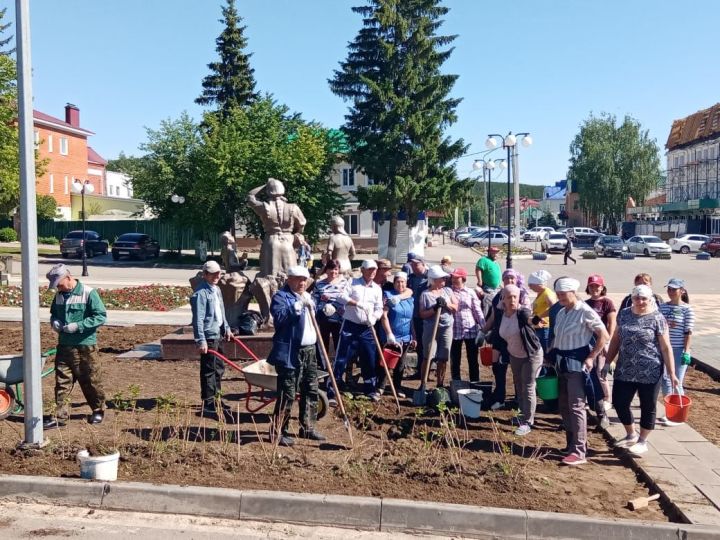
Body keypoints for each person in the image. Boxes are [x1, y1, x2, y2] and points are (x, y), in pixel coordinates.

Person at [607, 285, 679, 455]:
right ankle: (631, 434)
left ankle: (643, 440)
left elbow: (666, 347)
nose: (640, 302)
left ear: (650, 299)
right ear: (632, 299)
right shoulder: (624, 314)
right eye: (637, 298)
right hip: (625, 368)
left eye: (644, 298)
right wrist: (607, 361)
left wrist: (672, 373)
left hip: (650, 369)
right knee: (619, 402)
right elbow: (616, 340)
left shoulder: (657, 318)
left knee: (648, 405)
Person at [549, 277, 609, 466]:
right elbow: (557, 338)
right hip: (561, 365)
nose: (560, 297)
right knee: (565, 406)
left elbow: (603, 335)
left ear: (573, 293)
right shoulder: (561, 312)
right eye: (558, 294)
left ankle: (579, 450)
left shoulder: (584, 311)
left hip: (577, 367)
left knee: (576, 407)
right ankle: (570, 444)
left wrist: (591, 356)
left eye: (563, 294)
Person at [267, 265, 326, 447]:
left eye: (305, 280)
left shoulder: (308, 296)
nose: (302, 283)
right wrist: (297, 306)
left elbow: (314, 318)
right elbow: (280, 318)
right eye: (298, 279)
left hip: (309, 351)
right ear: (289, 280)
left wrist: (324, 308)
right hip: (290, 353)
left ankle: (307, 427)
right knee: (288, 393)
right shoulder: (281, 297)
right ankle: (278, 431)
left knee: (311, 389)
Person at [44, 264, 107, 429]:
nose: (58, 288)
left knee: (91, 381)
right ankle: (59, 416)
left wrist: (78, 326)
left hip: (85, 346)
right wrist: (54, 322)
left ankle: (98, 410)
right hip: (64, 345)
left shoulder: (88, 293)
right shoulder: (59, 296)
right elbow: (54, 314)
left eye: (59, 284)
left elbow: (100, 316)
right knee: (62, 381)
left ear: (69, 277)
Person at [489, 284, 543, 436]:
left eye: (515, 297)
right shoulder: (501, 314)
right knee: (518, 384)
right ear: (503, 299)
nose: (512, 300)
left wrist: (536, 320)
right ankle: (522, 414)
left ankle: (527, 422)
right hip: (514, 354)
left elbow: (531, 320)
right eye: (509, 297)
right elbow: (499, 333)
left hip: (531, 354)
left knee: (528, 386)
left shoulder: (522, 313)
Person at [328, 259, 384, 404]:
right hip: (350, 326)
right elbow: (341, 297)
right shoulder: (352, 283)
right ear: (362, 270)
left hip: (367, 328)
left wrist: (374, 318)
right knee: (341, 358)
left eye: (374, 270)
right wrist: (357, 303)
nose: (372, 272)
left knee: (369, 359)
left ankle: (370, 389)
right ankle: (332, 390)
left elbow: (379, 308)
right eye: (369, 269)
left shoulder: (377, 288)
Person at [483, 269, 532, 410]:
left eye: (512, 278)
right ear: (502, 280)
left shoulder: (522, 296)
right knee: (498, 367)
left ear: (517, 280)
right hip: (500, 337)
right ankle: (499, 397)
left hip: (517, 337)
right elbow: (493, 316)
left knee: (519, 370)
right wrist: (483, 331)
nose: (509, 281)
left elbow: (528, 315)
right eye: (506, 279)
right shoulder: (498, 296)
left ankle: (519, 399)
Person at [191, 260, 234, 418]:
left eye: (218, 273)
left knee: (219, 369)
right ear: (205, 275)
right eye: (213, 274)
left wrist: (227, 328)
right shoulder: (200, 294)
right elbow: (198, 320)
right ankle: (208, 403)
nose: (217, 276)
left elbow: (221, 312)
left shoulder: (216, 290)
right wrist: (200, 340)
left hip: (219, 334)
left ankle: (217, 398)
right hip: (208, 337)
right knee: (209, 370)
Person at [247, 178, 307, 277]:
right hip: (288, 241)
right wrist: (295, 234)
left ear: (268, 191)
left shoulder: (264, 207)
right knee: (290, 274)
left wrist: (265, 186)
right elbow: (302, 224)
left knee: (269, 275)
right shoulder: (293, 207)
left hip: (271, 241)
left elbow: (250, 196)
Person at [657, 278, 695, 425]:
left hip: (679, 350)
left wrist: (686, 351)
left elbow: (688, 332)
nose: (671, 292)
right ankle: (669, 412)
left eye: (674, 289)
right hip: (663, 350)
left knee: (676, 381)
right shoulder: (662, 307)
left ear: (682, 291)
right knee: (666, 382)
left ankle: (679, 413)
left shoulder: (687, 309)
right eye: (669, 289)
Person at [584, 274, 616, 428]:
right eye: (592, 286)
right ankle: (594, 402)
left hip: (602, 342)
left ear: (602, 287)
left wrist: (606, 342)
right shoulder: (585, 303)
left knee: (600, 373)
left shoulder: (607, 303)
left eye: (597, 286)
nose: (595, 289)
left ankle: (606, 400)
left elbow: (611, 324)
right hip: (588, 343)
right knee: (591, 372)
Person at [377, 271, 416, 398]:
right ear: (393, 283)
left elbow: (411, 320)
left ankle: (397, 387)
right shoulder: (388, 295)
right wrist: (389, 334)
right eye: (398, 282)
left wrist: (413, 336)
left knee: (401, 364)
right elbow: (384, 316)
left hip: (405, 336)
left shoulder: (410, 298)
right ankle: (381, 387)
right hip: (391, 336)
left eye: (403, 282)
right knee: (386, 362)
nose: (400, 284)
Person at [419, 265, 458, 388]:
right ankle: (423, 383)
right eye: (441, 278)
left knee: (443, 357)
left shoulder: (448, 291)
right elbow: (422, 314)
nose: (444, 280)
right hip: (431, 329)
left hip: (446, 328)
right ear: (433, 279)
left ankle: (440, 384)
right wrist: (434, 308)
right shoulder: (425, 294)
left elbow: (455, 308)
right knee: (428, 356)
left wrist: (446, 304)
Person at [449, 267, 484, 383]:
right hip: (455, 329)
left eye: (456, 278)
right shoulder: (449, 291)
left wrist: (484, 327)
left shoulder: (470, 292)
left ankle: (475, 382)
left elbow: (477, 310)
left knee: (473, 359)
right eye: (453, 278)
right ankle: (456, 382)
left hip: (470, 329)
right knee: (455, 358)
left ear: (463, 279)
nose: (454, 280)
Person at [311, 259, 348, 358]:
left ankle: (338, 368)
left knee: (339, 343)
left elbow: (348, 299)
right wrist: (322, 303)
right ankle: (324, 367)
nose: (333, 272)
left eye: (336, 269)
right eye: (331, 269)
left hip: (340, 317)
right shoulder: (319, 284)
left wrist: (338, 306)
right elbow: (314, 300)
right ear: (326, 270)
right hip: (324, 317)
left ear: (339, 270)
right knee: (323, 342)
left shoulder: (345, 283)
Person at [407, 255, 429, 376]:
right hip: (415, 315)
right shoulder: (411, 278)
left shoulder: (429, 277)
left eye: (416, 265)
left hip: (427, 315)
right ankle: (420, 370)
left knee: (428, 343)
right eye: (412, 265)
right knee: (419, 343)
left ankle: (429, 368)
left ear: (423, 264)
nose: (413, 267)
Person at [527, 270, 555, 353]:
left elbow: (553, 308)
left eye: (531, 285)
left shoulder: (547, 294)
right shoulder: (541, 292)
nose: (530, 287)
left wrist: (539, 316)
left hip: (544, 327)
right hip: (538, 326)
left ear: (538, 284)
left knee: (544, 351)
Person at [475, 246, 502, 316]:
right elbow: (478, 269)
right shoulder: (484, 260)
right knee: (488, 304)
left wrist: (500, 285)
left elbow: (497, 275)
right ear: (489, 252)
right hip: (487, 288)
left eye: (497, 253)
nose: (496, 254)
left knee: (496, 305)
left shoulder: (495, 263)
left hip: (496, 288)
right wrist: (479, 280)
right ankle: (485, 321)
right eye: (494, 252)